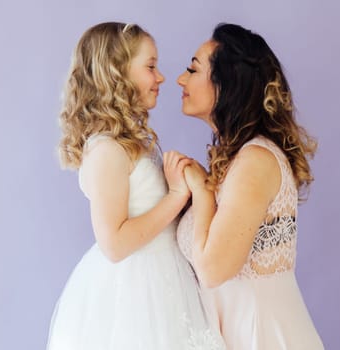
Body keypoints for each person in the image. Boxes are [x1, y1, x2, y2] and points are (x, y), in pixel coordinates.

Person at [47, 22, 225, 350]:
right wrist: (174, 197)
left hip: (166, 277)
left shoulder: (130, 144)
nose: (161, 78)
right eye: (151, 67)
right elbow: (114, 243)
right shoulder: (106, 150)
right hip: (136, 289)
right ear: (117, 74)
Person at [174, 23, 325, 349]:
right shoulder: (237, 158)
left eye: (193, 69)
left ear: (227, 83)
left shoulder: (254, 160)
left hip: (261, 336)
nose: (180, 79)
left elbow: (214, 269)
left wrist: (201, 193)